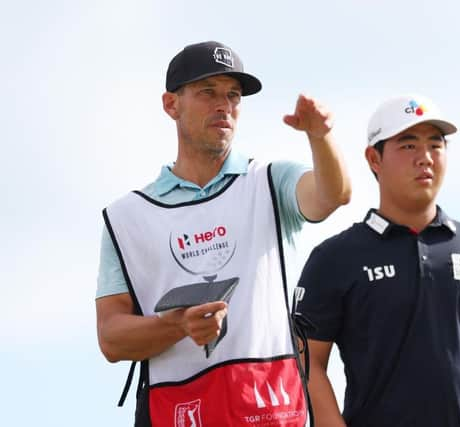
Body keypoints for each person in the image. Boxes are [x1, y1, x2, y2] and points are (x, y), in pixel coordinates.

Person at [96, 40, 351, 427]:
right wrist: (177, 325)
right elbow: (112, 338)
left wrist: (321, 138)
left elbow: (333, 195)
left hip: (271, 409)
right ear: (171, 104)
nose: (224, 105)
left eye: (233, 95)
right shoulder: (128, 216)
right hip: (178, 411)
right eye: (207, 92)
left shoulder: (269, 179)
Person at [294, 95, 460, 427]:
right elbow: (306, 360)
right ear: (373, 159)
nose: (425, 158)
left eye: (435, 146)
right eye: (408, 146)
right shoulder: (335, 257)